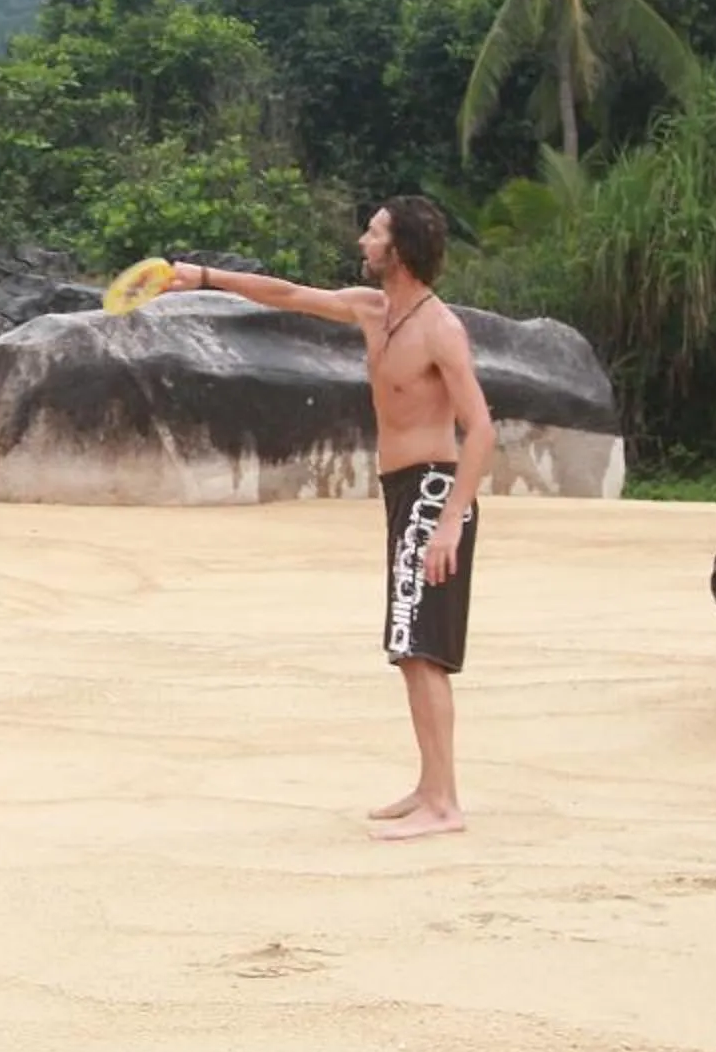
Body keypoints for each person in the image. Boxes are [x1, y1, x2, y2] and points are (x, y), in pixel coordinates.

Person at [169, 197, 497, 839]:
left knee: (422, 649)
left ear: (399, 250)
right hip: (403, 492)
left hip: (433, 493)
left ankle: (444, 805)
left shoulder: (440, 329)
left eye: (373, 233)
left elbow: (481, 428)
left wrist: (452, 519)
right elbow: (288, 295)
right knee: (409, 648)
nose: (361, 242)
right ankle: (431, 786)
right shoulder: (374, 310)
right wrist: (203, 276)